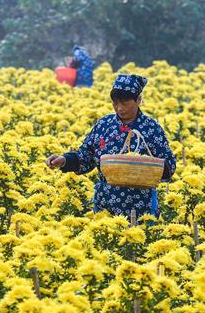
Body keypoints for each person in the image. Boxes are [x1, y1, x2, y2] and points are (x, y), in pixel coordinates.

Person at [45, 74, 177, 218]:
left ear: (138, 100)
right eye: (115, 103)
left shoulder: (151, 128)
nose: (119, 108)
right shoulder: (104, 124)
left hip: (140, 206)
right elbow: (85, 156)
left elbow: (169, 165)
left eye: (124, 103)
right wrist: (64, 160)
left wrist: (146, 166)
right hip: (105, 205)